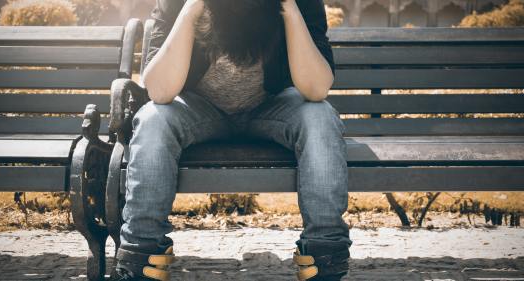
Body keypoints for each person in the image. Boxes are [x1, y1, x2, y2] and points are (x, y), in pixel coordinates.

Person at [115, 0, 351, 280]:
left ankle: (324, 258)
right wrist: (192, 8)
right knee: (153, 119)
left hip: (271, 106)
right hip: (200, 109)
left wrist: (289, 8)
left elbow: (316, 88)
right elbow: (160, 91)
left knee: (320, 117)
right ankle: (142, 256)